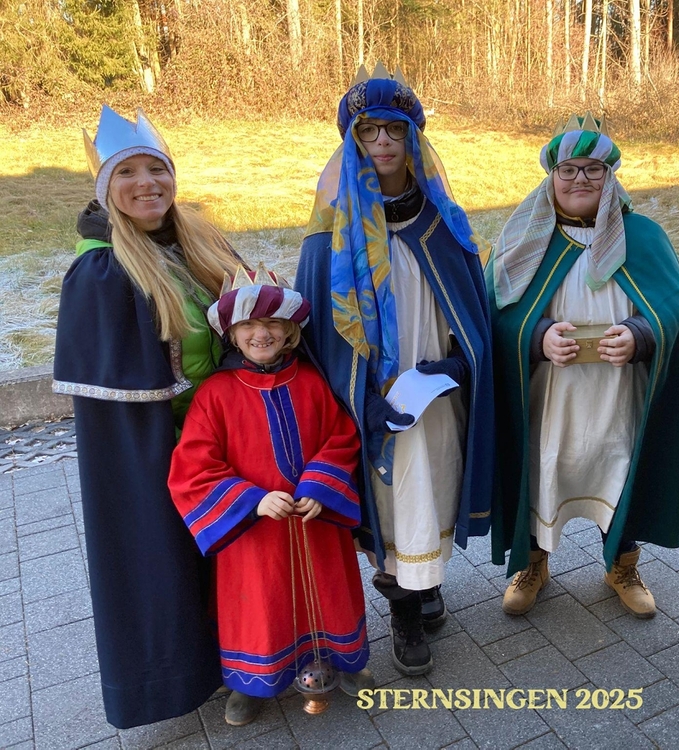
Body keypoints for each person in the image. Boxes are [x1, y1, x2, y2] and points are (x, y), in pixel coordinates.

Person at [295, 64, 494, 676]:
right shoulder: (331, 235)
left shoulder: (442, 222)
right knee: (391, 499)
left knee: (434, 487)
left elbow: (470, 305)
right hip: (375, 397)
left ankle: (426, 583)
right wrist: (361, 399)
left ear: (413, 138)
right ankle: (403, 610)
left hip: (436, 391)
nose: (382, 142)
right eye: (369, 131)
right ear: (353, 140)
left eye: (395, 130)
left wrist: (459, 361)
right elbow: (319, 334)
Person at [52, 106, 238, 727]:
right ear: (106, 188)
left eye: (156, 169)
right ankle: (186, 677)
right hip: (165, 449)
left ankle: (252, 655)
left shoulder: (199, 238)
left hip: (228, 432)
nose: (146, 183)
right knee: (170, 563)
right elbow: (121, 397)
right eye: (127, 173)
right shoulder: (102, 271)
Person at [488, 113, 679, 620]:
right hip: (548, 396)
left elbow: (674, 306)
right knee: (542, 468)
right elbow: (493, 312)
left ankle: (622, 565)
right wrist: (536, 336)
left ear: (610, 178)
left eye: (593, 169)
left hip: (618, 393)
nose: (580, 179)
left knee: (616, 466)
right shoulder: (522, 239)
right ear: (551, 177)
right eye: (569, 170)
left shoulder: (643, 237)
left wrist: (640, 335)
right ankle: (532, 564)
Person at [168, 265, 371, 726]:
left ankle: (346, 660)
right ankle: (251, 680)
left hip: (315, 522)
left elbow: (341, 437)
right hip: (253, 534)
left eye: (273, 323)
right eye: (249, 325)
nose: (261, 333)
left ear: (290, 331)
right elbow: (193, 467)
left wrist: (320, 485)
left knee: (331, 593)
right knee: (258, 604)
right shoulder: (215, 394)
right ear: (232, 334)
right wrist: (251, 500)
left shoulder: (312, 381)